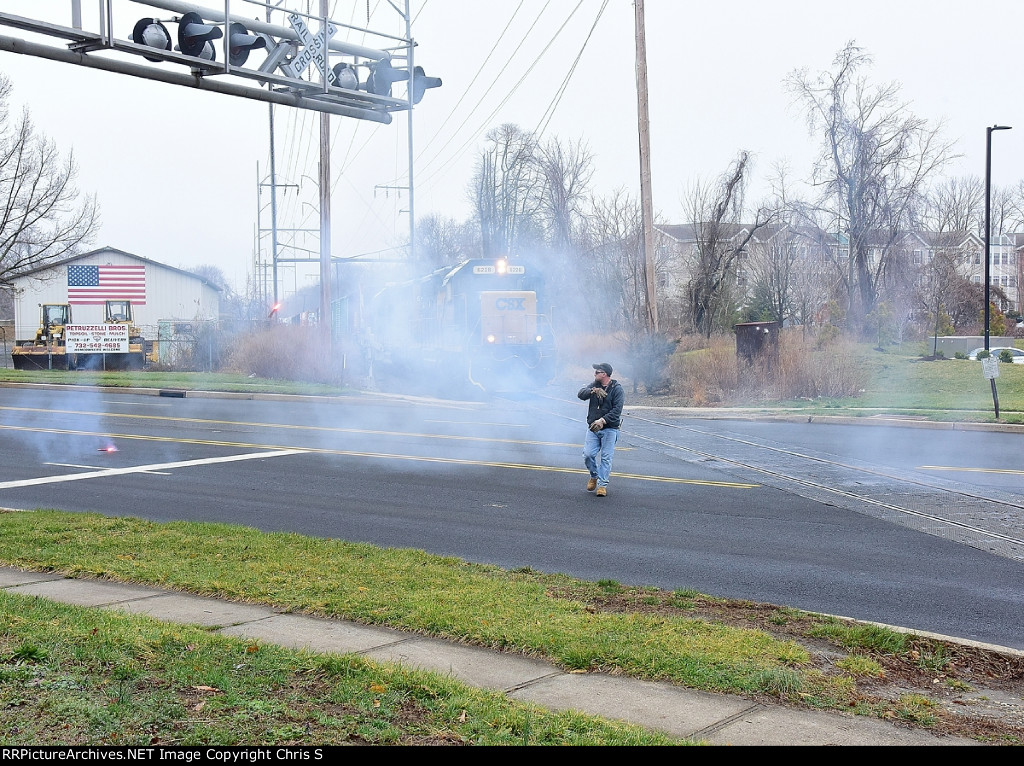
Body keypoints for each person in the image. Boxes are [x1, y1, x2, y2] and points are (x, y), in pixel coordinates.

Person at [577, 362, 625, 497]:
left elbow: (617, 410)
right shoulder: (594, 385)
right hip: (593, 428)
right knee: (588, 454)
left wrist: (603, 420)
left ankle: (602, 485)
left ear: (604, 374)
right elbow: (580, 394)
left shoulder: (617, 389)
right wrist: (592, 391)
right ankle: (594, 475)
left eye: (597, 372)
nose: (595, 374)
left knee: (606, 458)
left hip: (610, 429)